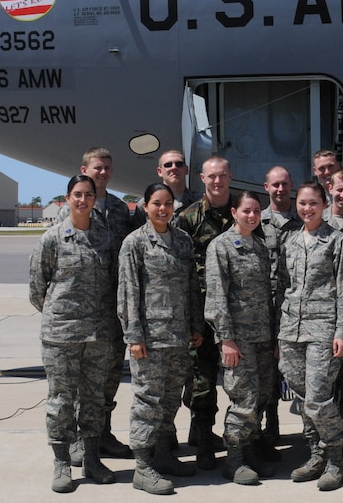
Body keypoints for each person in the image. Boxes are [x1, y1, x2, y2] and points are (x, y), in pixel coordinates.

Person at [30, 175, 119, 493]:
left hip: (98, 335)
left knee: (94, 400)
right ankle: (62, 463)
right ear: (68, 198)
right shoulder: (52, 238)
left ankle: (92, 459)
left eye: (88, 195)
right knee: (61, 402)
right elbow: (37, 288)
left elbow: (112, 285)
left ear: (95, 199)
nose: (83, 200)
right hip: (61, 336)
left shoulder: (105, 238)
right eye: (77, 195)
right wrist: (62, 317)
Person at [118, 183, 204, 495]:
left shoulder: (182, 241)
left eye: (168, 203)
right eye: (156, 203)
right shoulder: (135, 243)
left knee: (169, 400)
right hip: (150, 340)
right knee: (146, 401)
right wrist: (134, 336)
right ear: (144, 205)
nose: (163, 208)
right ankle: (143, 465)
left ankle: (164, 453)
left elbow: (191, 286)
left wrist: (196, 324)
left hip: (178, 336)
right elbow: (128, 293)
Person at [55, 147, 136, 463]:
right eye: (97, 168)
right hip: (82, 311)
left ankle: (102, 434)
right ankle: (77, 439)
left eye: (107, 168)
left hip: (114, 309)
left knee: (111, 374)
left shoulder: (118, 209)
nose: (102, 173)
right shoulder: (70, 210)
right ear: (84, 169)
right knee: (81, 380)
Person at [279, 182, 343, 491]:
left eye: (313, 203)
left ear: (324, 205)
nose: (307, 208)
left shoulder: (337, 241)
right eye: (302, 203)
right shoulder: (291, 241)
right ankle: (315, 453)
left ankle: (336, 457)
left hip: (323, 329)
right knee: (300, 397)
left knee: (318, 397)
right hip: (291, 331)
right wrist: (280, 332)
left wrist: (342, 331)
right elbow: (284, 287)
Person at [205, 191, 280, 484]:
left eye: (256, 211)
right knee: (243, 400)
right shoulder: (221, 246)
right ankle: (234, 459)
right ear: (234, 212)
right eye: (246, 211)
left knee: (261, 396)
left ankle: (249, 452)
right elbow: (216, 295)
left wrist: (273, 336)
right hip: (238, 339)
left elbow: (268, 295)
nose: (252, 216)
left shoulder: (260, 246)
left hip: (262, 336)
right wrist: (226, 338)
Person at [174, 156, 235, 468]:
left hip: (236, 313)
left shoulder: (243, 212)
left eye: (222, 175)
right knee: (202, 379)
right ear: (202, 179)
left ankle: (245, 439)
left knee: (242, 380)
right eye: (211, 176)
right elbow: (177, 268)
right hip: (200, 312)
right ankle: (203, 438)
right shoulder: (188, 218)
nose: (217, 181)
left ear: (229, 176)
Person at [258, 165, 299, 450]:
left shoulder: (304, 219)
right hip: (263, 305)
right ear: (266, 187)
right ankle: (269, 425)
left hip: (297, 306)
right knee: (266, 371)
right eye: (275, 185)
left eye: (285, 184)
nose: (280, 189)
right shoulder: (256, 222)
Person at [135, 150, 201, 213]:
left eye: (179, 164)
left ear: (186, 170)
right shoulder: (146, 203)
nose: (174, 167)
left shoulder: (202, 201)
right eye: (168, 165)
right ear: (159, 171)